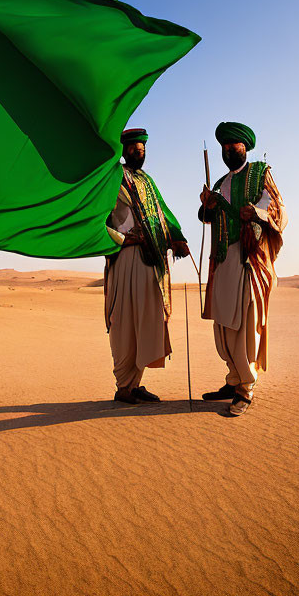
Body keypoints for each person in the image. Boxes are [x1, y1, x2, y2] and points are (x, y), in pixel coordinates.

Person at [198, 122, 287, 416]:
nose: (227, 150)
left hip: (250, 259)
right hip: (223, 259)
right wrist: (208, 204)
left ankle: (246, 388)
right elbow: (207, 217)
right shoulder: (220, 181)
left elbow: (280, 211)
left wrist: (257, 213)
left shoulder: (261, 173)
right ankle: (233, 379)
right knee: (223, 325)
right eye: (224, 146)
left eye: (232, 145)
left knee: (245, 322)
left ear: (244, 147)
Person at [104, 128, 190, 404]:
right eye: (134, 148)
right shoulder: (112, 178)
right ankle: (123, 386)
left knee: (145, 320)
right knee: (125, 322)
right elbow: (98, 219)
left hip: (150, 260)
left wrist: (177, 237)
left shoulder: (147, 181)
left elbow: (162, 212)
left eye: (142, 149)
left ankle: (136, 383)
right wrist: (123, 240)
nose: (138, 152)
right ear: (124, 149)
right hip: (126, 257)